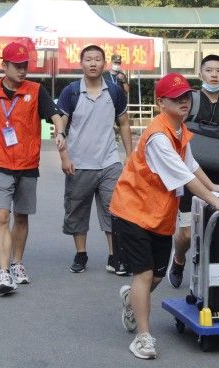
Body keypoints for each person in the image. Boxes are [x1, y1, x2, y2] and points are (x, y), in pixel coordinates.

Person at [109, 73, 219, 359]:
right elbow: (184, 176)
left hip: (159, 214)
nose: (184, 102)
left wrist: (213, 186)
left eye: (186, 96)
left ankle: (131, 298)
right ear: (161, 103)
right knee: (143, 274)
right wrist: (215, 201)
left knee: (155, 277)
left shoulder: (180, 130)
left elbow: (190, 164)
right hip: (132, 210)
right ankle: (143, 337)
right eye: (176, 98)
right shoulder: (158, 136)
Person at [0, 41, 66, 295]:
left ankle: (17, 263)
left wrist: (60, 132)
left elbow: (56, 115)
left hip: (28, 163)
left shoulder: (36, 90)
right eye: (17, 66)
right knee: (2, 216)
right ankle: (3, 272)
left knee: (21, 216)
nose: (22, 70)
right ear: (4, 65)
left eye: (25, 65)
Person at [57, 45, 133, 275]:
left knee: (114, 210)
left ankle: (114, 256)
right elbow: (61, 125)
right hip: (79, 162)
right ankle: (81, 254)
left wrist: (130, 155)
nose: (93, 63)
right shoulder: (71, 92)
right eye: (88, 59)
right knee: (77, 210)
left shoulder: (114, 91)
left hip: (110, 161)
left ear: (104, 64)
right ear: (81, 63)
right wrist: (64, 156)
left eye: (97, 59)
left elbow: (124, 123)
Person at [167, 55, 219, 289]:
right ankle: (179, 259)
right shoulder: (191, 100)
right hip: (188, 176)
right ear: (200, 74)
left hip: (217, 175)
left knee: (214, 229)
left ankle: (209, 280)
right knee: (188, 233)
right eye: (209, 70)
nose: (214, 75)